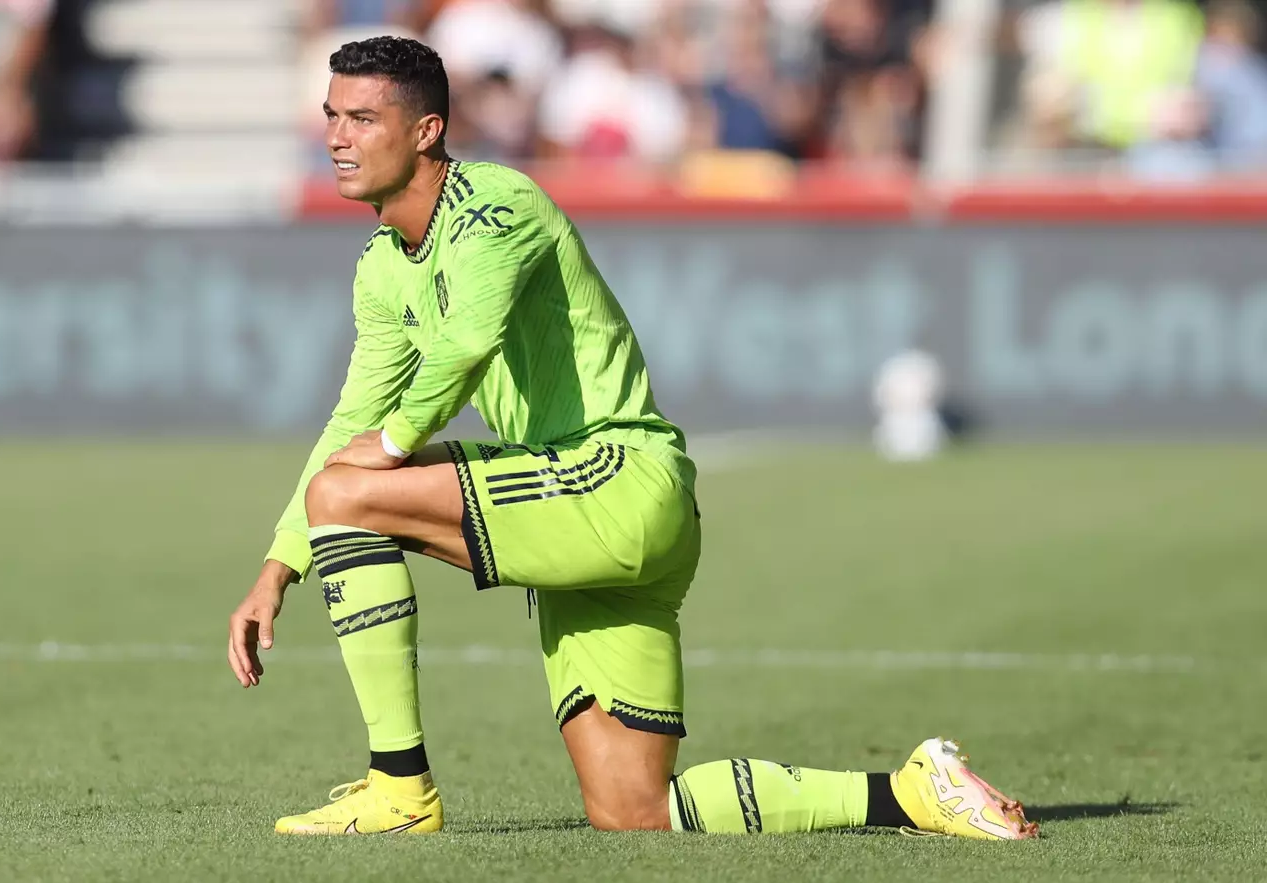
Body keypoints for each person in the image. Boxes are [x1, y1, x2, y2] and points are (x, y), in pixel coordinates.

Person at [226, 35, 1039, 840]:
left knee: (351, 489)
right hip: (585, 514)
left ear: (427, 130)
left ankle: (398, 789)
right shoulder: (381, 266)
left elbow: (466, 344)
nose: (335, 136)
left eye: (363, 119)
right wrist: (281, 561)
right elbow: (350, 419)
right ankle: (914, 793)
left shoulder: (499, 205)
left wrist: (393, 445)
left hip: (613, 479)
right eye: (332, 115)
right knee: (634, 809)